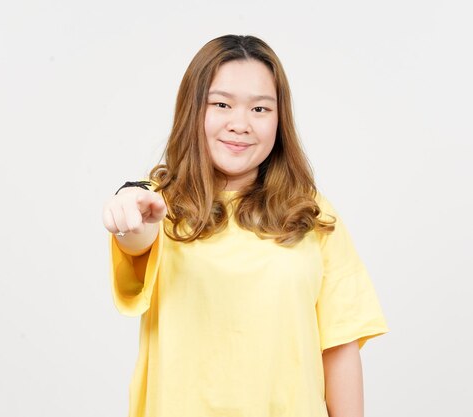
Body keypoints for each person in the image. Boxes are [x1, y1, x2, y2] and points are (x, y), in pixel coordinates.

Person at [102, 34, 389, 417]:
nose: (240, 124)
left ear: (279, 119)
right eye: (221, 104)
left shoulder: (311, 213)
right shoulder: (158, 204)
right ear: (193, 111)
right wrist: (128, 216)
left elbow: (339, 346)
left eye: (260, 109)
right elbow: (137, 236)